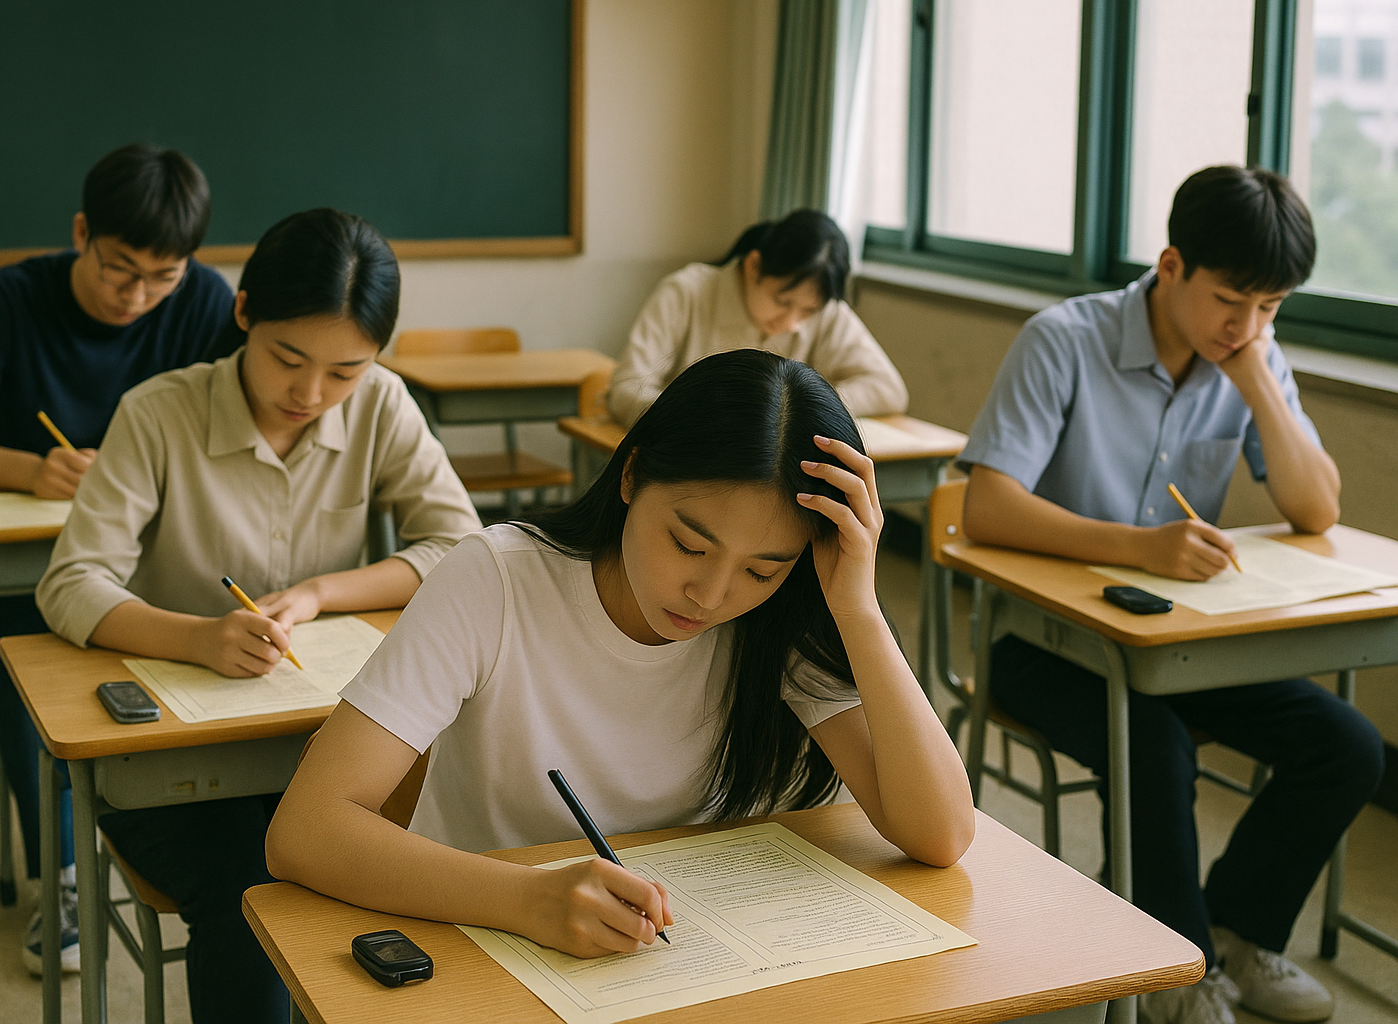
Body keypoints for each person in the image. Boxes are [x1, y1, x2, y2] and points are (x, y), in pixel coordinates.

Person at [265, 348, 974, 958]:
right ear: (631, 476)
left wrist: (858, 608)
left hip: (669, 961)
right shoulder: (498, 579)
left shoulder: (774, 621)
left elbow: (938, 834)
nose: (711, 594)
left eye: (762, 569)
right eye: (689, 544)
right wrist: (529, 900)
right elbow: (306, 830)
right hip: (481, 943)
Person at [959, 166, 1384, 1024]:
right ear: (1171, 264)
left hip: (1180, 645)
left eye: (1272, 307)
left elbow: (1316, 507)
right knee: (1154, 747)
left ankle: (1237, 932)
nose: (1250, 323)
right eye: (1233, 299)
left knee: (1348, 745)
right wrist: (1138, 547)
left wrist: (1258, 378)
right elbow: (987, 506)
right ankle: (1172, 972)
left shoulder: (1251, 351)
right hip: (1042, 643)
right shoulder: (1063, 340)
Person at [35, 207, 481, 1024]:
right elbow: (70, 581)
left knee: (448, 851)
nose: (311, 394)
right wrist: (197, 637)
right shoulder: (157, 413)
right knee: (251, 883)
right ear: (242, 313)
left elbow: (462, 548)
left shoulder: (381, 404)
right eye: (287, 358)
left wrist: (321, 592)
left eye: (345, 371)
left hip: (327, 749)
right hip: (182, 767)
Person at [0, 142, 236, 972]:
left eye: (162, 277)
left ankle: (202, 849)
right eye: (119, 269)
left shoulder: (202, 299)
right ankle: (56, 873)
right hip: (37, 542)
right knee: (21, 664)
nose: (138, 297)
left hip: (158, 545)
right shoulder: (11, 297)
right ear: (82, 232)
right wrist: (34, 468)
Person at [605, 209, 908, 427]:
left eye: (808, 312)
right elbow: (627, 387)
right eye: (782, 301)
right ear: (753, 267)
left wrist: (800, 407)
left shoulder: (824, 310)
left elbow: (888, 389)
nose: (792, 323)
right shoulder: (686, 293)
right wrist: (689, 421)